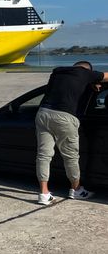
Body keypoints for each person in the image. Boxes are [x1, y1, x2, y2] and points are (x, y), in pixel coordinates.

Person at [35, 60, 107, 204]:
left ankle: (44, 193)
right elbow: (106, 76)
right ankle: (76, 189)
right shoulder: (85, 73)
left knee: (43, 155)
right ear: (88, 70)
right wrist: (92, 81)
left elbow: (68, 86)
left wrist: (87, 83)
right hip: (64, 116)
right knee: (71, 157)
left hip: (43, 113)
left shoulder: (58, 72)